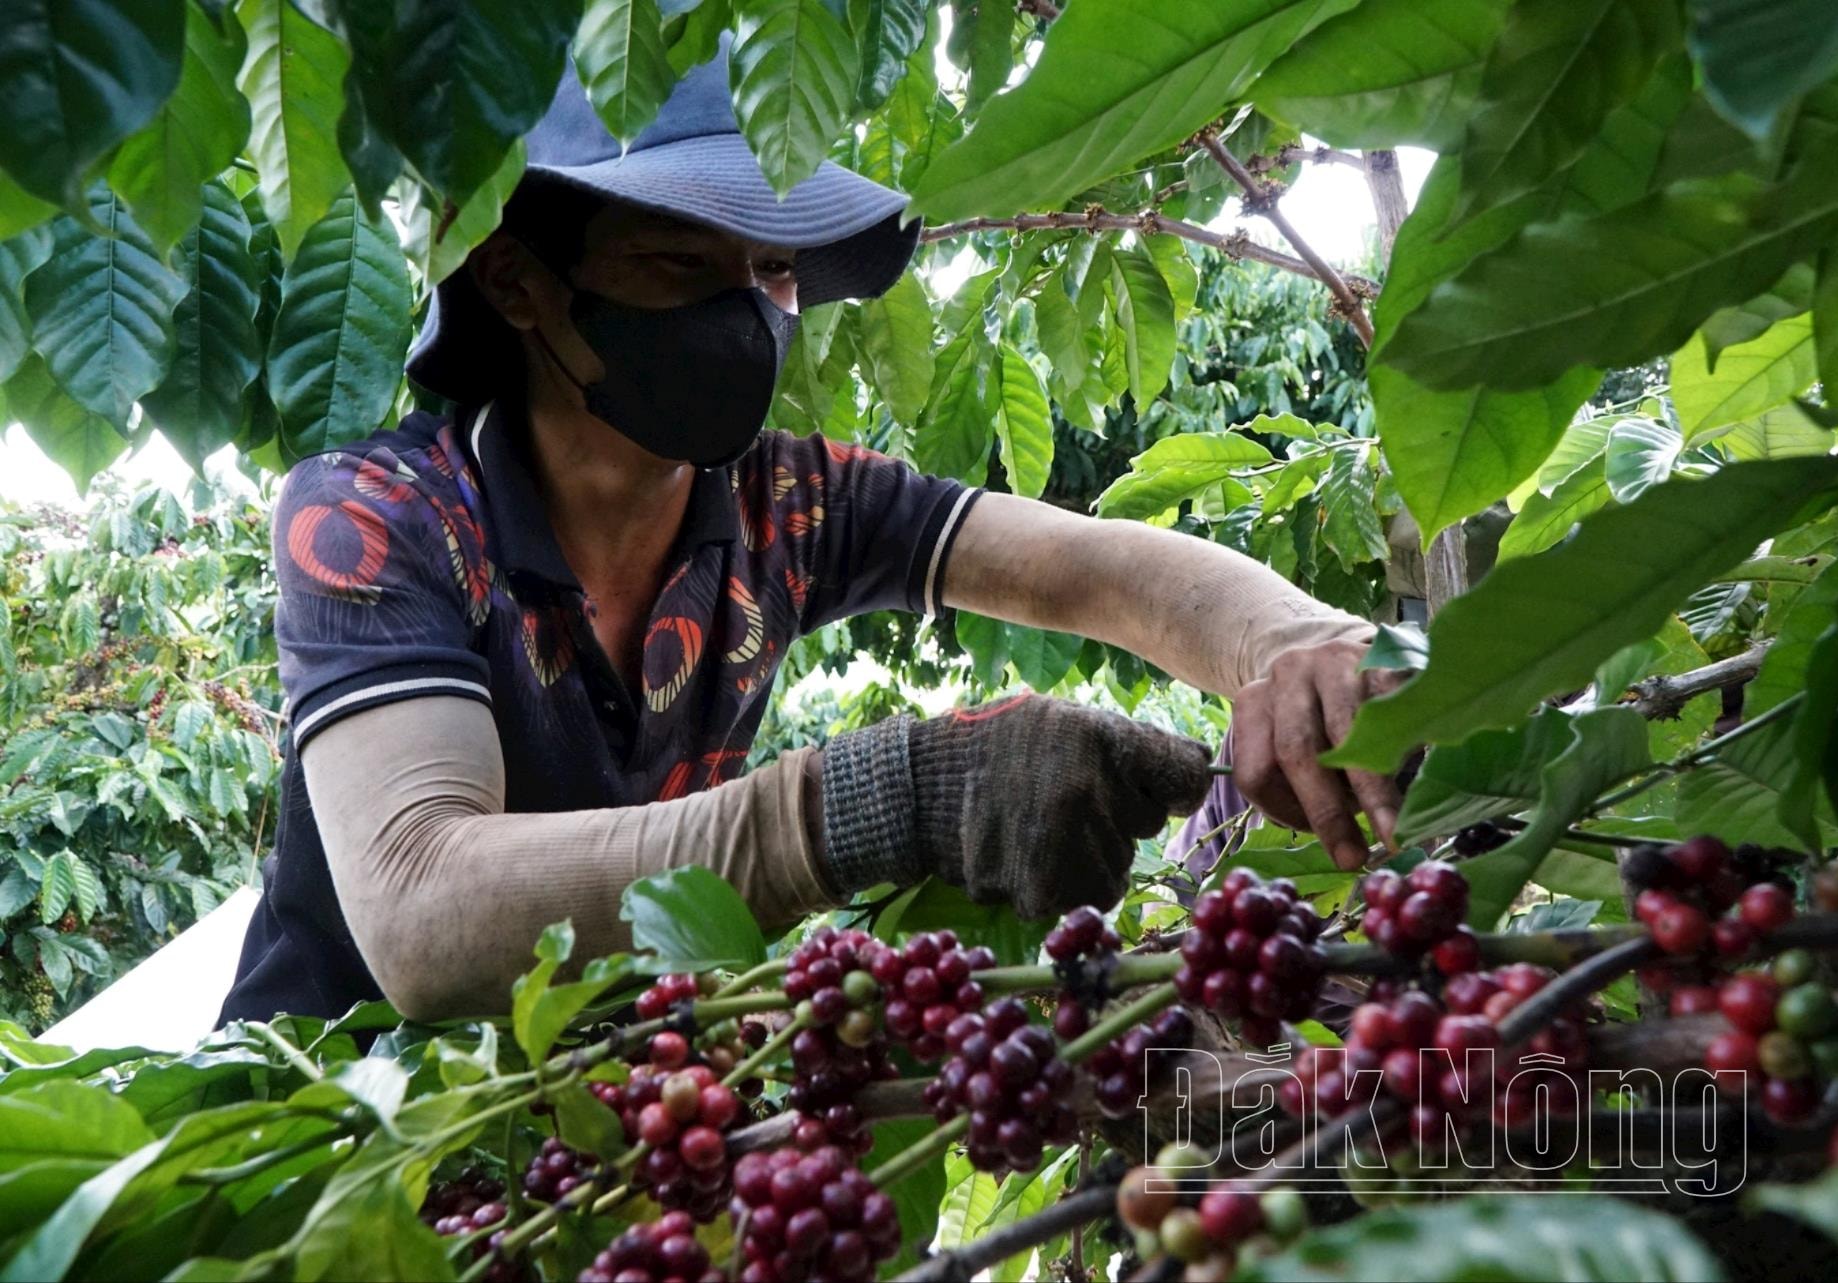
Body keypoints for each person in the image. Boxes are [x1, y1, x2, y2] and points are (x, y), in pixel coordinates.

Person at [218, 45, 1399, 1025]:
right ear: (519, 280)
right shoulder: (379, 517)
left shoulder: (785, 505)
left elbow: (1092, 571)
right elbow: (420, 909)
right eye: (684, 262)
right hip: (316, 1142)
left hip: (597, 1127)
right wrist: (858, 805)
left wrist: (1303, 644)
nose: (748, 312)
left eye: (773, 268)